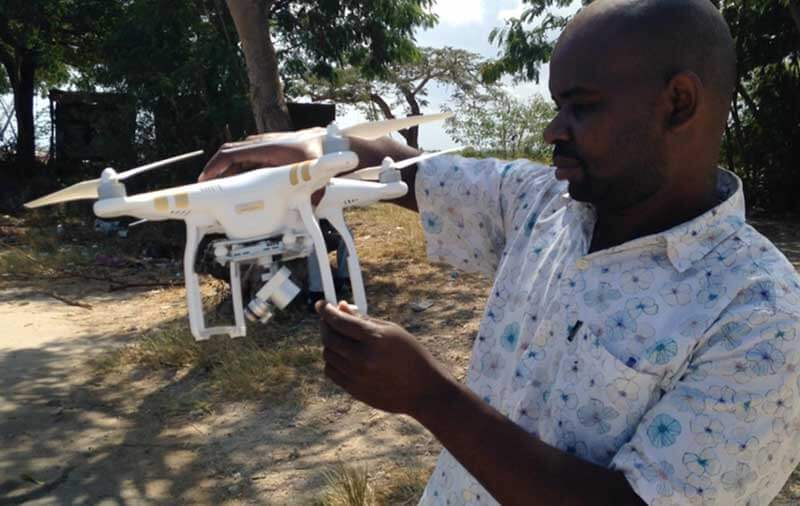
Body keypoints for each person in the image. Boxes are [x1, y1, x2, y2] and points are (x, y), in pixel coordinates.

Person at [200, 0, 800, 503]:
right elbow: (413, 174)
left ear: (678, 103)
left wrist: (429, 396)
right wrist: (309, 148)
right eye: (556, 106)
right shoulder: (545, 205)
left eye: (582, 106)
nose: (552, 131)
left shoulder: (759, 318)